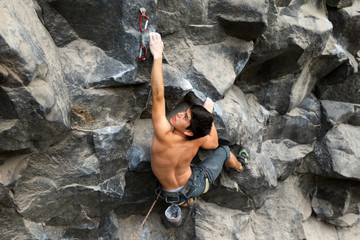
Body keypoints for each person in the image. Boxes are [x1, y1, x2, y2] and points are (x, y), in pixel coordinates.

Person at [149, 32, 249, 206]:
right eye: (185, 112)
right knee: (225, 151)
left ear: (188, 130)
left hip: (167, 192)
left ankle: (238, 167)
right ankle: (237, 166)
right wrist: (207, 117)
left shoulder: (163, 135)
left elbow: (158, 95)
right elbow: (214, 144)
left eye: (185, 116)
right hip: (193, 186)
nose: (179, 114)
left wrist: (157, 56)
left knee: (220, 153)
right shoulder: (198, 138)